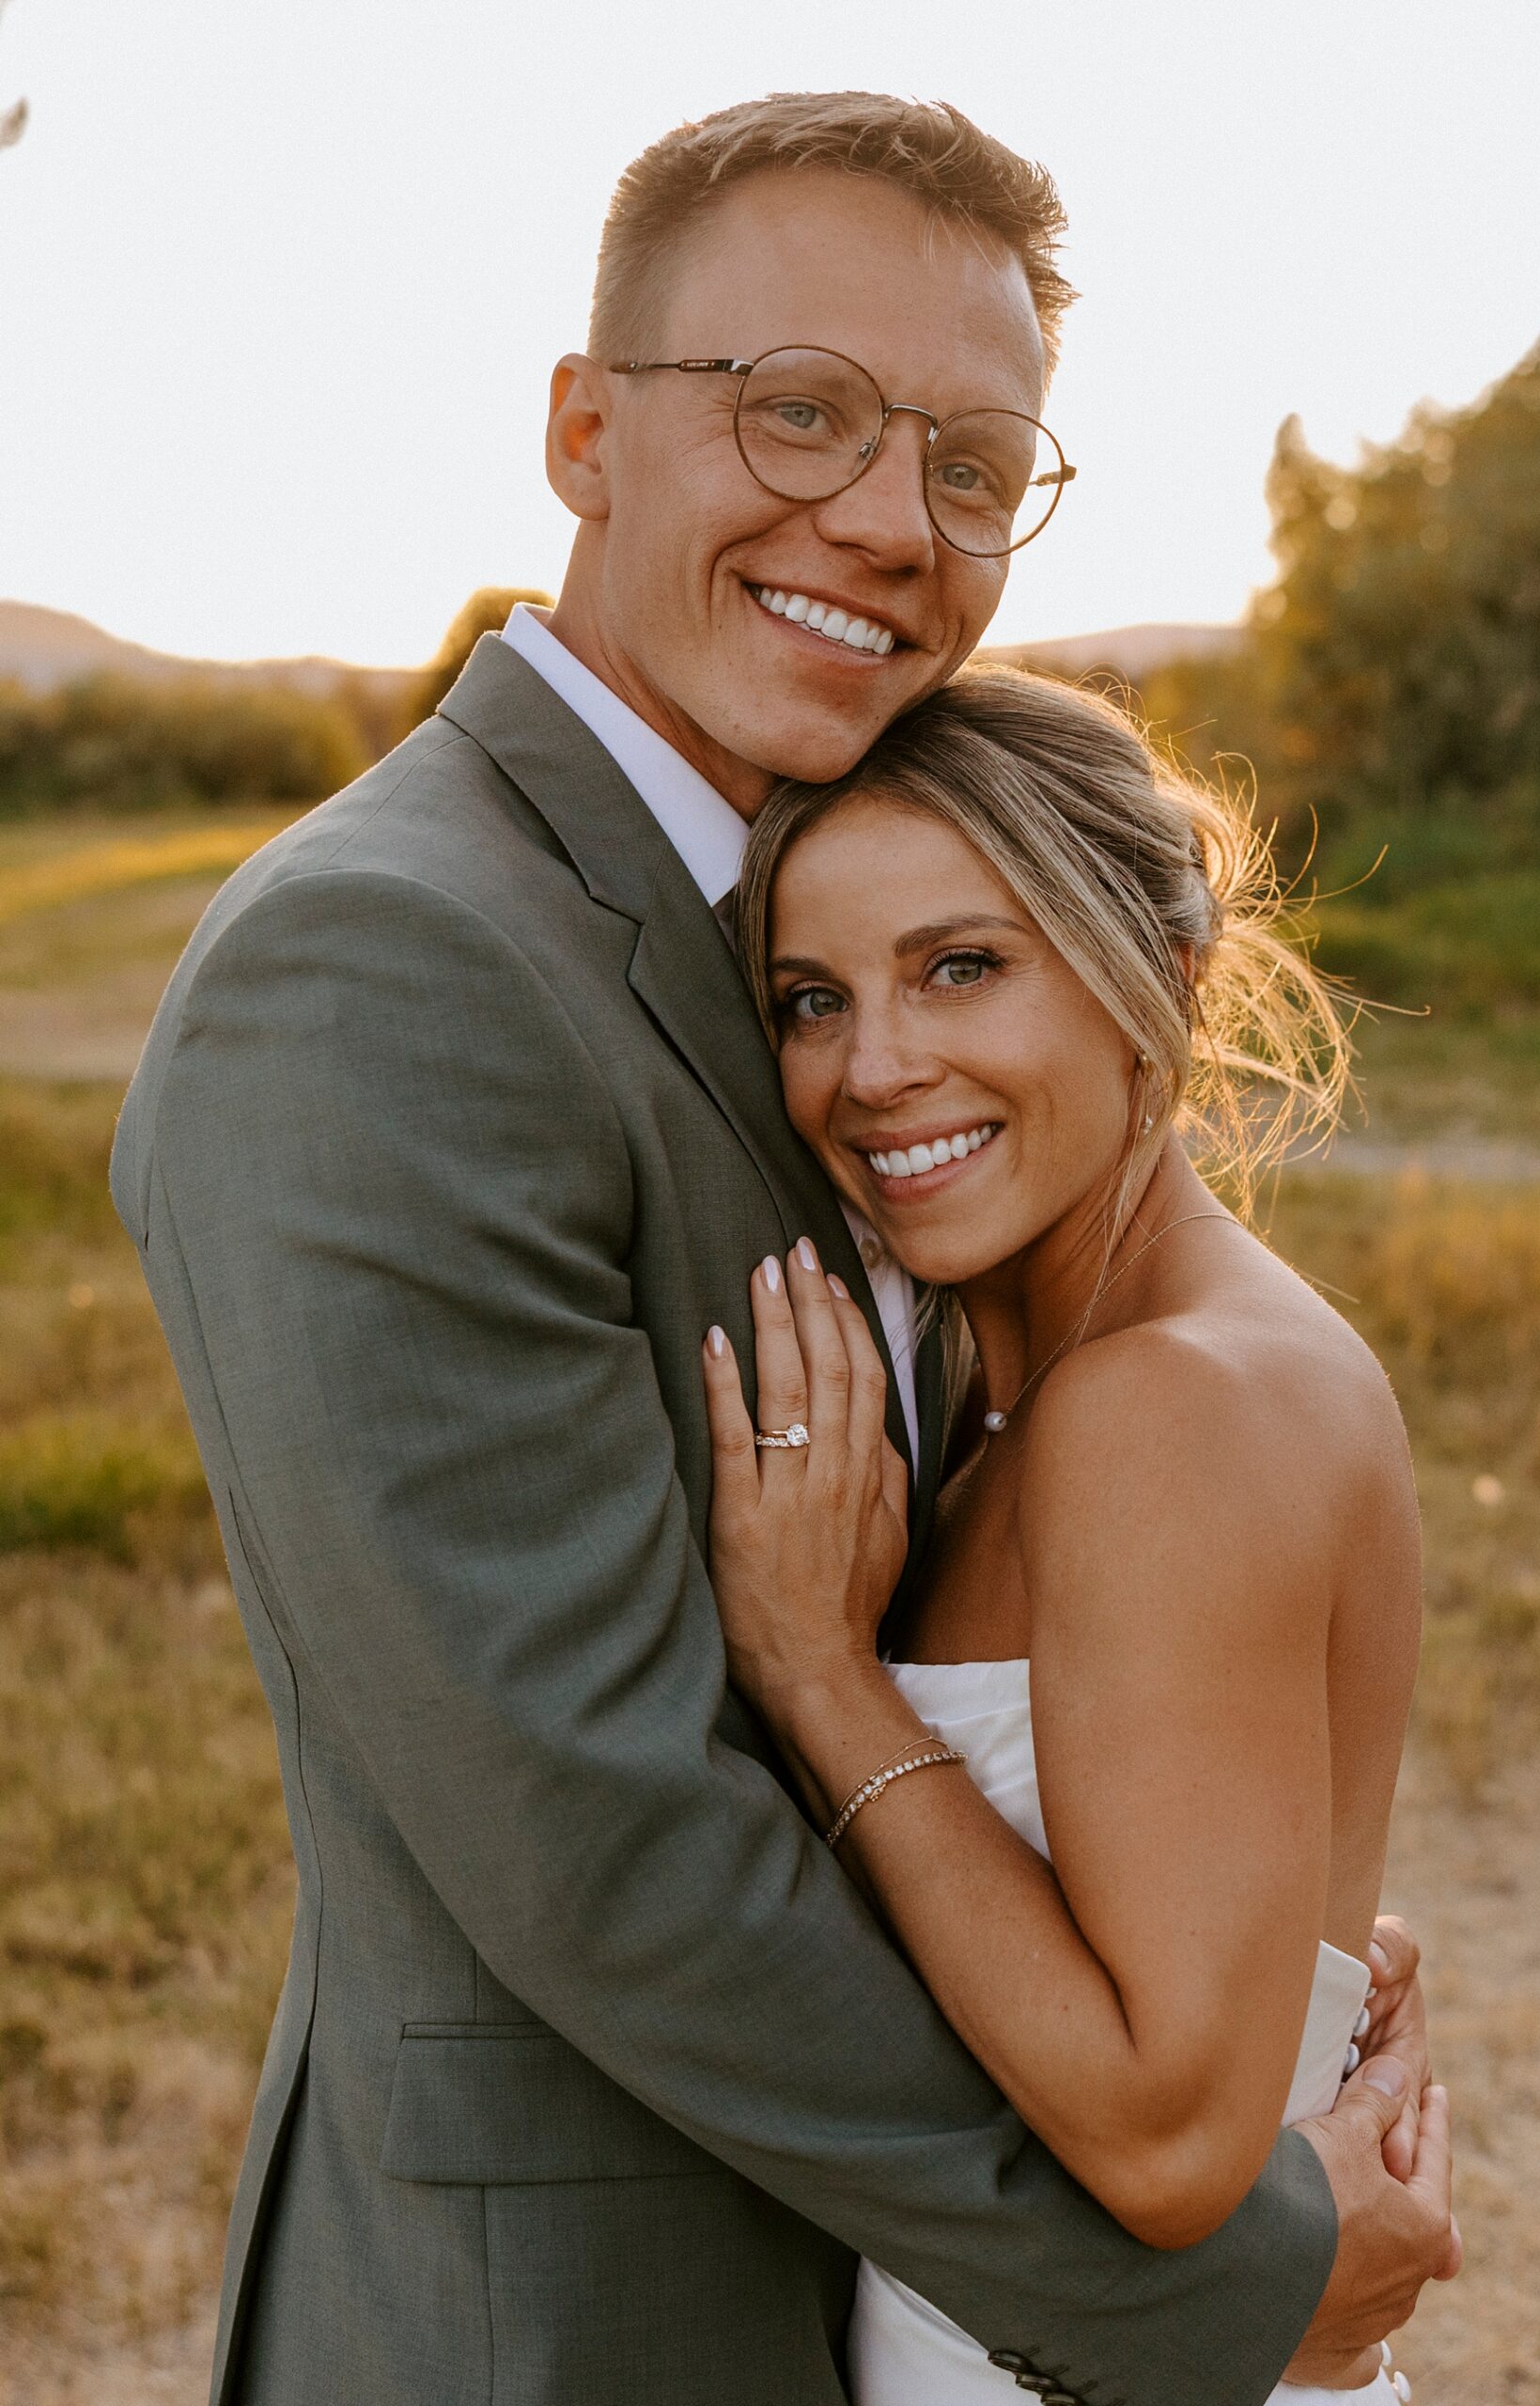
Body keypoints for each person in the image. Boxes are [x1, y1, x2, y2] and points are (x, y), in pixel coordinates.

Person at [111, 92, 1455, 2406]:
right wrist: (1213, 2279)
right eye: (799, 410)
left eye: (970, 462)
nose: (889, 521)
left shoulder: (790, 917)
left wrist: (1248, 1945)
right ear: (583, 431)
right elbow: (603, 1840)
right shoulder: (384, 962)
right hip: (578, 2328)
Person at [703, 665, 1441, 2401]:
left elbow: (1172, 2140)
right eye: (814, 999)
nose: (877, 1069)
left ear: (1155, 982)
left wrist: (825, 1679)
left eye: (962, 966)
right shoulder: (1058, 1394)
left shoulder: (1165, 1404)